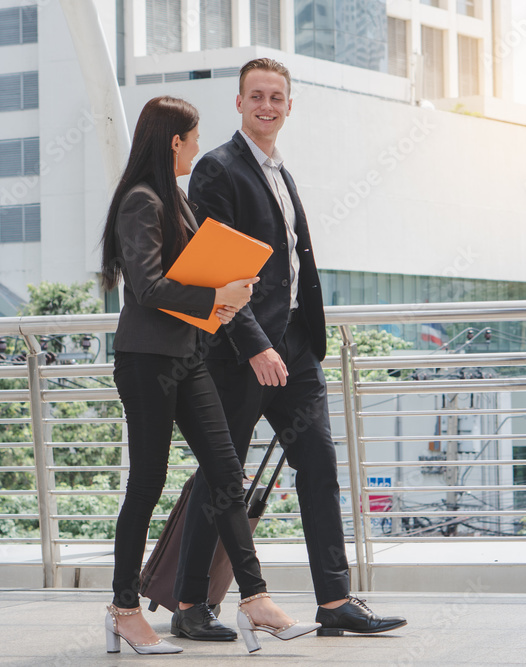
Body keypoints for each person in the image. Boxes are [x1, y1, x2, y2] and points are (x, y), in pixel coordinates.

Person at [172, 59, 407, 639]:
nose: (267, 106)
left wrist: (296, 338)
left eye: (277, 97)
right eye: (257, 96)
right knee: (222, 476)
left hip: (297, 346)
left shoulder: (280, 170)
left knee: (319, 465)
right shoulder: (216, 169)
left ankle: (334, 601)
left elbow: (292, 262)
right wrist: (254, 344)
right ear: (240, 102)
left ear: (289, 105)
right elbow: (217, 270)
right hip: (241, 353)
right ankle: (188, 605)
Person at [100, 95, 318, 655]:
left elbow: (195, 271)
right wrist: (214, 295)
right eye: (193, 139)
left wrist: (220, 304)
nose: (198, 148)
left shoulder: (175, 199)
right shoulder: (140, 201)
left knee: (225, 474)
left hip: (189, 355)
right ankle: (124, 610)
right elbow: (147, 287)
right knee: (146, 484)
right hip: (147, 362)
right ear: (175, 140)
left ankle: (255, 600)